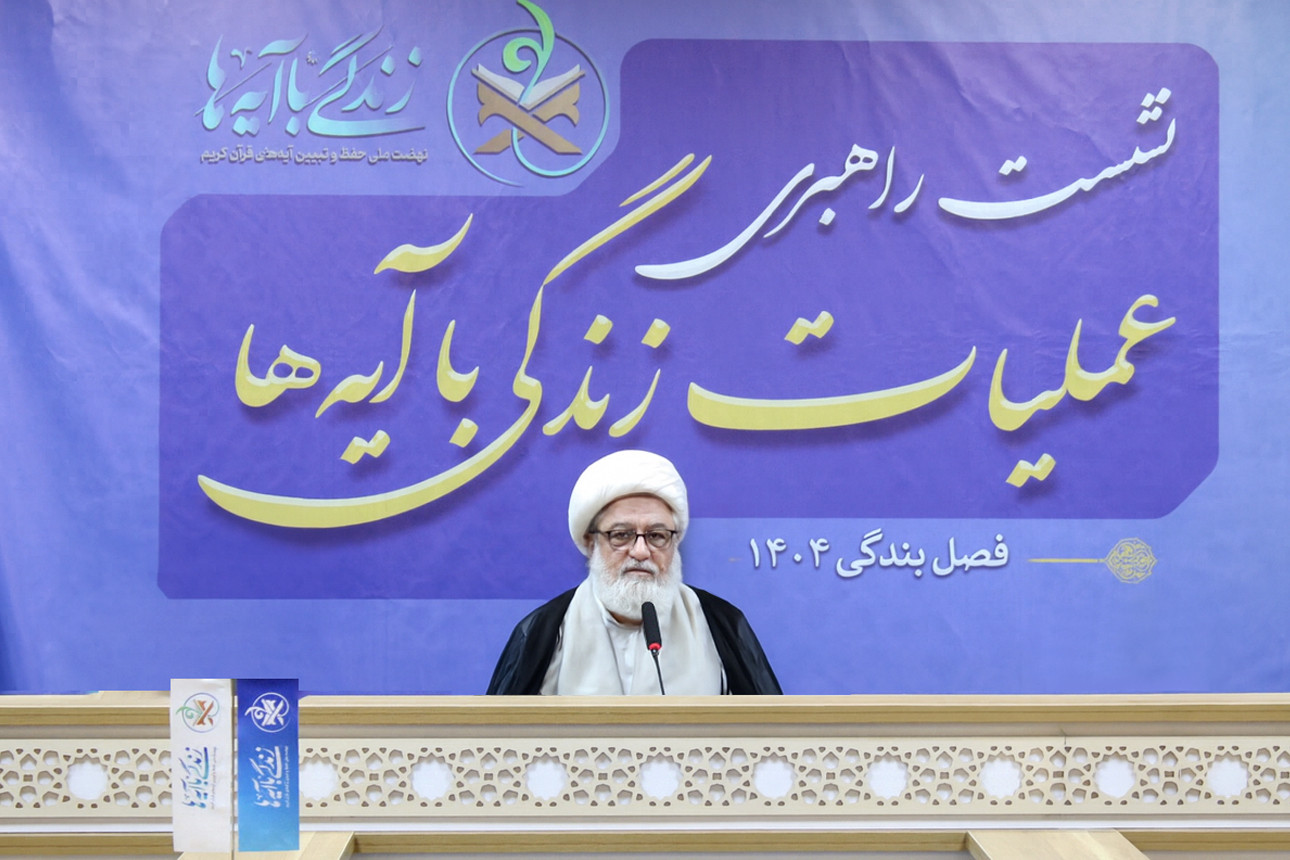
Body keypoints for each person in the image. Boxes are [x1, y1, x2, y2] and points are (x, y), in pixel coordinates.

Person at [487, 449, 781, 695]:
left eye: (657, 536)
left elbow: (772, 734)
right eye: (621, 535)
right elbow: (497, 737)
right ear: (591, 542)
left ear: (675, 542)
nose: (641, 551)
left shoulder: (720, 624)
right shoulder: (544, 633)